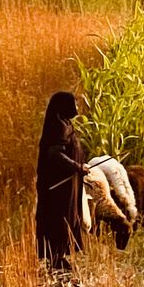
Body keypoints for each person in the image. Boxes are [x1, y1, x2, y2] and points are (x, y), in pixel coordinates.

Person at [35, 91, 87, 269]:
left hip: (65, 185)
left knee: (63, 218)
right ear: (65, 106)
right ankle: (56, 257)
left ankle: (59, 255)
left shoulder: (62, 123)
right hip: (59, 187)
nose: (77, 108)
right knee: (59, 219)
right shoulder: (59, 126)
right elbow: (55, 153)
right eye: (74, 104)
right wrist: (78, 167)